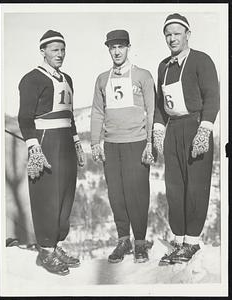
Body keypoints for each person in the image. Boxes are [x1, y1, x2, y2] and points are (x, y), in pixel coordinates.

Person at [153, 14, 219, 265]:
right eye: (168, 34)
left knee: (195, 187)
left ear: (187, 34)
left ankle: (192, 242)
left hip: (195, 126)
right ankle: (179, 240)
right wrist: (159, 129)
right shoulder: (164, 66)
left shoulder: (201, 60)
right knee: (174, 188)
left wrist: (205, 129)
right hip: (174, 129)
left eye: (177, 33)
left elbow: (212, 96)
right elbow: (160, 104)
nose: (172, 38)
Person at [18, 30, 85, 275]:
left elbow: (70, 115)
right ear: (43, 51)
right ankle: (45, 250)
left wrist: (76, 142)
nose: (60, 54)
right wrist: (33, 147)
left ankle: (55, 245)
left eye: (62, 49)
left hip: (65, 140)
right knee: (47, 196)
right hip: (45, 142)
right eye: (54, 50)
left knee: (66, 194)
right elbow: (24, 118)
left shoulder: (67, 78)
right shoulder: (32, 79)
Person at [90, 29, 155, 263]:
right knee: (116, 194)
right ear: (108, 49)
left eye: (121, 46)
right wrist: (95, 141)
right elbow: (97, 112)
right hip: (112, 145)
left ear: (128, 47)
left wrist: (151, 142)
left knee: (137, 194)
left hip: (136, 143)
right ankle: (123, 240)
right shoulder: (102, 79)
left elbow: (152, 111)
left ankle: (140, 242)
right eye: (112, 47)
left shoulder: (143, 76)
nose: (116, 51)